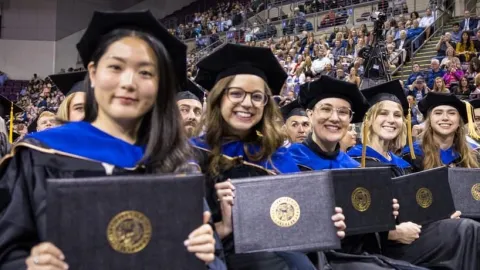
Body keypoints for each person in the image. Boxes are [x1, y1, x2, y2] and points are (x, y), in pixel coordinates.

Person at [0, 10, 225, 270]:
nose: (128, 82)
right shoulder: (39, 154)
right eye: (115, 67)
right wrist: (30, 265)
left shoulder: (177, 162)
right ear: (93, 74)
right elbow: (7, 251)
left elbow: (214, 259)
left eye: (146, 72)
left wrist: (205, 257)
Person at [192, 44, 346, 269]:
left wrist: (325, 224)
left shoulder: (277, 154)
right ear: (218, 99)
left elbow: (297, 221)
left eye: (257, 96)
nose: (247, 103)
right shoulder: (194, 153)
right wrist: (224, 226)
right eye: (235, 93)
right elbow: (178, 241)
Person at [348, 81, 480, 270]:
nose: (391, 120)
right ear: (368, 119)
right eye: (383, 114)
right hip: (381, 245)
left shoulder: (399, 162)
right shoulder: (355, 162)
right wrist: (390, 232)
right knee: (466, 230)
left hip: (416, 232)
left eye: (397, 115)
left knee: (464, 229)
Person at [402, 92, 480, 172]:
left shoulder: (473, 154)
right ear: (429, 121)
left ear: (459, 122)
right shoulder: (413, 155)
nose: (445, 118)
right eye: (438, 113)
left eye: (452, 113)